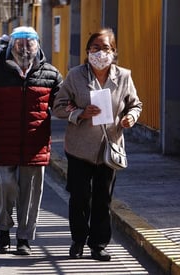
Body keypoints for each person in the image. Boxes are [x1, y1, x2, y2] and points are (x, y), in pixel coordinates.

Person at [52, 28, 142, 261]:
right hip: (80, 148)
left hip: (109, 148)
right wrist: (81, 113)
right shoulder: (75, 75)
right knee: (80, 197)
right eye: (95, 48)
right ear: (87, 51)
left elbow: (135, 104)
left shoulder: (123, 76)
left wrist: (131, 117)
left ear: (114, 52)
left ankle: (99, 244)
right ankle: (78, 241)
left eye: (106, 48)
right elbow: (59, 106)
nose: (100, 53)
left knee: (103, 198)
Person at [0, 26, 63, 255]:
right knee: (4, 187)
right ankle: (3, 228)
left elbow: (62, 103)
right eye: (20, 43)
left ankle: (24, 238)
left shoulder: (51, 74)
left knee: (31, 193)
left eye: (30, 43)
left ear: (38, 46)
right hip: (4, 141)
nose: (25, 48)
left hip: (34, 145)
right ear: (11, 46)